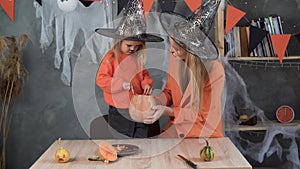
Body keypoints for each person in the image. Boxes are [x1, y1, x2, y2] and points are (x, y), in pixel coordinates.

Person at [144, 0, 225, 138]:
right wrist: (155, 101)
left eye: (176, 49)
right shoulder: (176, 60)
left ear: (191, 51)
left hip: (203, 133)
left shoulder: (214, 71)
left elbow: (200, 116)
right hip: (177, 129)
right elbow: (169, 91)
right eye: (171, 46)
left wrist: (168, 111)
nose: (170, 51)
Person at [95, 0, 163, 138]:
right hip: (119, 109)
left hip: (138, 105)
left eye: (137, 46)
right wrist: (121, 84)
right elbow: (101, 79)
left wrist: (146, 83)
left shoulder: (136, 58)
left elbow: (144, 74)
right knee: (122, 138)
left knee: (142, 136)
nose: (133, 49)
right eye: (129, 45)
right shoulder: (111, 58)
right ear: (119, 41)